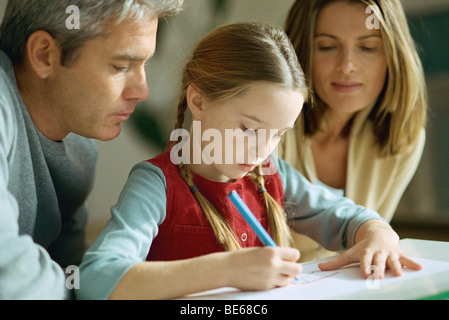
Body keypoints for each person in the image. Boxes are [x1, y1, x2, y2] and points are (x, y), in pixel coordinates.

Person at [77, 22, 421, 300]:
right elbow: (96, 280)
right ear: (198, 100)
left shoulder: (272, 174)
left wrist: (377, 233)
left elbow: (347, 218)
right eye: (249, 129)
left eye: (278, 134)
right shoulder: (156, 184)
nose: (262, 151)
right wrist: (226, 271)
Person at [0, 0, 183, 299]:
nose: (142, 90)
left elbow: (73, 276)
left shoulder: (79, 149)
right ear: (44, 55)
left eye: (144, 64)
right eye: (121, 66)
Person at [280, 0, 428, 261]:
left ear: (394, 55)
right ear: (299, 52)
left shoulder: (405, 139)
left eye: (368, 47)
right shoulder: (263, 127)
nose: (347, 65)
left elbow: (370, 245)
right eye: (327, 46)